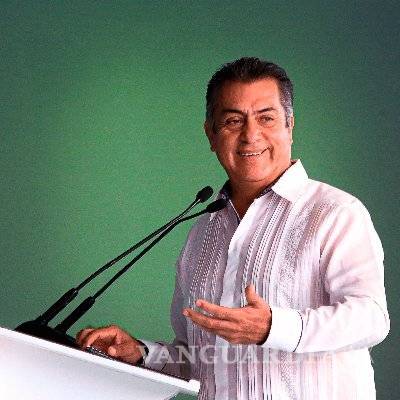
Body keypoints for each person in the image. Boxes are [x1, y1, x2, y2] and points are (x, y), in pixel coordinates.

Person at [76, 57, 390, 399]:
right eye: (233, 121)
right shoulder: (202, 232)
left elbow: (371, 318)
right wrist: (141, 353)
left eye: (266, 118)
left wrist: (273, 327)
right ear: (211, 135)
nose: (250, 135)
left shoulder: (334, 213)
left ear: (290, 126)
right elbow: (202, 358)